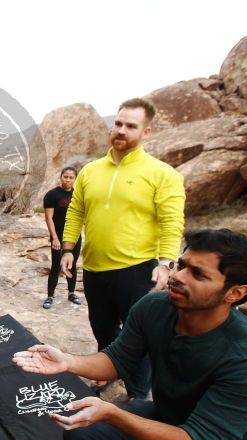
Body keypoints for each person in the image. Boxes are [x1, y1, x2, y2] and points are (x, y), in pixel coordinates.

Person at [14, 229, 247, 440]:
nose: (179, 277)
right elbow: (117, 359)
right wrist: (70, 362)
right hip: (171, 419)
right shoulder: (155, 307)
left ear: (236, 293)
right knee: (83, 436)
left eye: (198, 274)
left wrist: (113, 412)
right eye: (181, 265)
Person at [60, 97, 185, 401]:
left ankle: (138, 394)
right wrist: (67, 249)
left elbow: (172, 221)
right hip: (94, 268)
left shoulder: (162, 173)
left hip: (137, 269)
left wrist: (166, 263)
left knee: (137, 335)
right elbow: (76, 212)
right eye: (118, 123)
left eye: (131, 126)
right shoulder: (90, 171)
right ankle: (107, 374)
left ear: (146, 132)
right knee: (103, 330)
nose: (121, 130)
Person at [42, 166, 81, 309]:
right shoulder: (52, 195)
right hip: (58, 235)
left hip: (74, 237)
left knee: (73, 265)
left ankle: (71, 293)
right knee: (56, 266)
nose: (68, 180)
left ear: (75, 179)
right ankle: (50, 296)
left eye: (71, 177)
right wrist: (54, 238)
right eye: (66, 177)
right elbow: (49, 218)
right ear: (61, 177)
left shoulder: (78, 194)